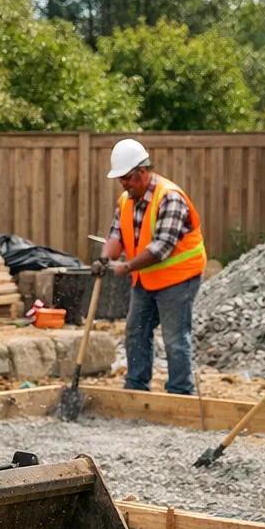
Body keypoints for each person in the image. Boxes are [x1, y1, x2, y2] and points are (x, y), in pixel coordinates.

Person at [93, 139, 207, 396]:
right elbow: (116, 236)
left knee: (175, 340)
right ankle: (136, 388)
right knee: (136, 332)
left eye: (127, 178)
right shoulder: (126, 200)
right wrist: (103, 259)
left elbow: (162, 247)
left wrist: (128, 266)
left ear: (143, 172)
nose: (124, 184)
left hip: (179, 278)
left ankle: (180, 394)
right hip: (146, 279)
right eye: (120, 180)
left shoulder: (170, 198)